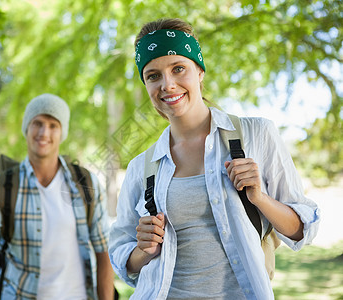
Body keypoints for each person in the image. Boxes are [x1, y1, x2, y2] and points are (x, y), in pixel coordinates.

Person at [108, 18, 320, 299]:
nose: (167, 85)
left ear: (199, 71)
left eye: (178, 69)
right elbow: (123, 258)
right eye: (153, 75)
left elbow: (302, 231)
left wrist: (260, 198)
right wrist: (142, 249)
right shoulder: (142, 167)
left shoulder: (256, 134)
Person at [0, 94, 115, 300]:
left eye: (53, 126)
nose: (44, 132)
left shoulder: (85, 183)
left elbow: (104, 254)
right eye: (37, 123)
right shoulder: (1, 187)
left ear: (62, 132)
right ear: (27, 128)